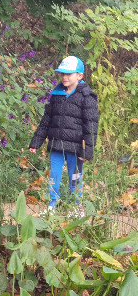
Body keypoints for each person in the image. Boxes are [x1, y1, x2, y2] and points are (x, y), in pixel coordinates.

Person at [29, 56, 99, 216]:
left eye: (69, 74)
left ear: (79, 76)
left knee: (75, 177)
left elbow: (91, 126)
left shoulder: (87, 97)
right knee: (54, 175)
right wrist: (36, 141)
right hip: (56, 144)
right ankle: (51, 206)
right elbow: (47, 119)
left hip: (76, 148)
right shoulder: (57, 94)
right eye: (62, 74)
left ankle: (76, 207)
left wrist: (87, 151)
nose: (65, 77)